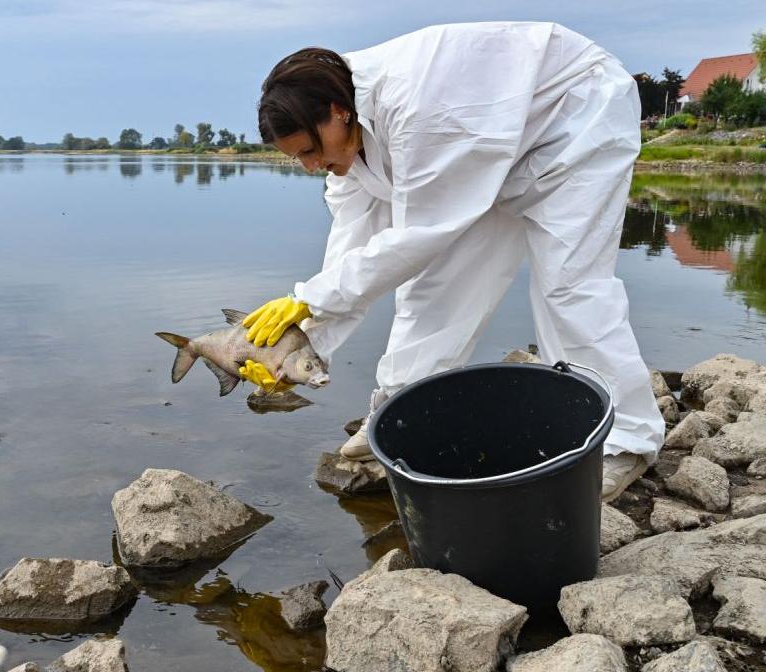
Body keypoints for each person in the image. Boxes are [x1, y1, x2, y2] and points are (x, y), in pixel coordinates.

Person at [236, 22, 664, 502]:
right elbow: (352, 252)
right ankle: (397, 415)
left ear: (338, 112)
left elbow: (418, 238)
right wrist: (301, 346)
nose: (310, 167)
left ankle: (624, 439)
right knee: (439, 292)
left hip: (573, 118)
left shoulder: (416, 107)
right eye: (298, 159)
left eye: (311, 151)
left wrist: (308, 299)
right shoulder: (350, 140)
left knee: (568, 287)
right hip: (487, 141)